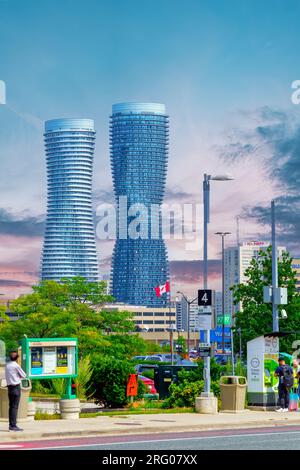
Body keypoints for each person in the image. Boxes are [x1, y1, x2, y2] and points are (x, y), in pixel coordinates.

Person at [5, 351, 26, 431]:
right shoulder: (16, 366)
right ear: (17, 358)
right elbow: (24, 375)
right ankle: (13, 426)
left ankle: (11, 424)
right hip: (16, 387)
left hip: (9, 387)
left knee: (11, 407)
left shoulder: (7, 365)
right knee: (14, 407)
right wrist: (18, 377)